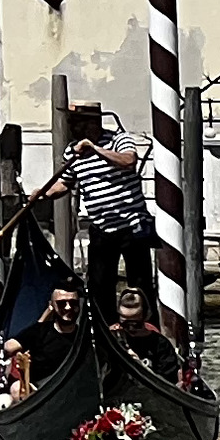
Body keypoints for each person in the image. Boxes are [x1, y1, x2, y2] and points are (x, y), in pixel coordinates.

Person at [66, 107, 150, 322]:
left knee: (139, 282)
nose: (74, 128)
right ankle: (106, 329)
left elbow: (128, 161)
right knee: (99, 284)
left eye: (78, 123)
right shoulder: (72, 152)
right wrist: (41, 194)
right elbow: (64, 182)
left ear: (92, 123)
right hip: (101, 227)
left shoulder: (120, 140)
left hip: (133, 225)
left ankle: (142, 326)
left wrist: (95, 149)